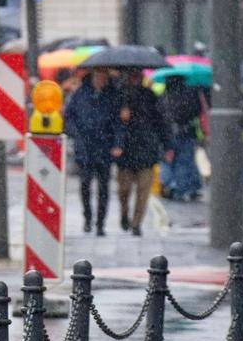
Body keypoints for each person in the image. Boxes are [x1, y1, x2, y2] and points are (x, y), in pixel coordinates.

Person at [112, 68, 171, 236]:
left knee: (143, 191)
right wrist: (121, 118)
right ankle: (124, 214)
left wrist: (168, 145)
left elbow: (162, 123)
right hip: (126, 152)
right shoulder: (119, 96)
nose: (135, 78)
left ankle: (137, 223)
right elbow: (111, 123)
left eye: (138, 75)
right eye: (133, 75)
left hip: (146, 150)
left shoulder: (151, 96)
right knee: (123, 190)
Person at [64, 68, 121, 235]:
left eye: (104, 77)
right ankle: (88, 218)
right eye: (99, 76)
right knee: (85, 185)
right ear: (93, 77)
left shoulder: (112, 96)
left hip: (104, 148)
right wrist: (76, 134)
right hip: (85, 147)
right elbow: (69, 118)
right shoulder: (80, 94)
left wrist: (117, 143)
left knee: (104, 187)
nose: (101, 79)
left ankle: (100, 223)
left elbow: (117, 123)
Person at [160, 75, 204, 201]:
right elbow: (197, 111)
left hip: (167, 133)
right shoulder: (189, 94)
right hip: (186, 133)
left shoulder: (164, 95)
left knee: (166, 161)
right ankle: (180, 189)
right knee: (183, 162)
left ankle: (167, 185)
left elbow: (160, 114)